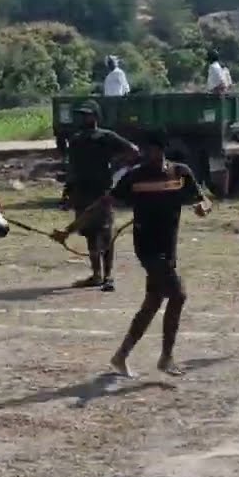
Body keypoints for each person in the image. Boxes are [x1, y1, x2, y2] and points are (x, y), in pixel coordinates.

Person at [54, 135, 212, 377]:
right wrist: (69, 229)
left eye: (151, 150)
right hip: (147, 248)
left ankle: (121, 356)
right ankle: (166, 357)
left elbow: (203, 199)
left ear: (162, 150)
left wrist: (203, 208)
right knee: (178, 295)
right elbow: (101, 205)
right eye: (143, 151)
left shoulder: (181, 173)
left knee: (153, 303)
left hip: (169, 248)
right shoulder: (134, 177)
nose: (145, 155)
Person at [62, 100, 140, 291]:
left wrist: (115, 165)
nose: (84, 118)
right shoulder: (76, 139)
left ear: (96, 117)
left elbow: (134, 151)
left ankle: (108, 275)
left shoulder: (106, 137)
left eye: (88, 114)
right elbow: (72, 167)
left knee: (106, 234)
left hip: (101, 192)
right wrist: (68, 190)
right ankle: (96, 274)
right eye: (82, 114)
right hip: (82, 191)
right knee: (89, 234)